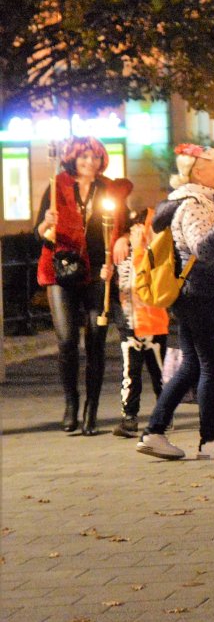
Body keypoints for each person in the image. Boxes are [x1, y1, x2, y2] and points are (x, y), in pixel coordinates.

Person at [138, 144, 214, 460]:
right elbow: (204, 249)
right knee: (211, 365)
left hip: (193, 293)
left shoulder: (197, 201)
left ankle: (154, 432)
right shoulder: (193, 204)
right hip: (199, 293)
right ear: (198, 171)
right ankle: (210, 440)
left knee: (192, 365)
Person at [35, 137, 130, 435]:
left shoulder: (109, 189)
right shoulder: (57, 185)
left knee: (96, 341)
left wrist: (123, 240)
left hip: (97, 272)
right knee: (66, 340)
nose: (90, 162)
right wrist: (46, 224)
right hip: (60, 271)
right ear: (73, 159)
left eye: (96, 157)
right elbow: (40, 232)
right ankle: (71, 403)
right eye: (84, 157)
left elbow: (125, 225)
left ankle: (92, 409)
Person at [112, 209, 168, 438]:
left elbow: (149, 279)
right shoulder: (126, 253)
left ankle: (164, 415)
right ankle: (129, 417)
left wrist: (139, 250)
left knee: (159, 374)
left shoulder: (156, 253)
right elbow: (122, 284)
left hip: (154, 323)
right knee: (130, 373)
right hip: (130, 322)